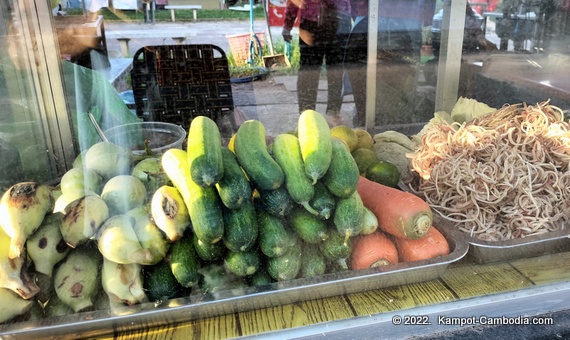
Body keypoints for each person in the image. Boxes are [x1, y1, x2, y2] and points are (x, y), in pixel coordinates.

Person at [282, 0, 352, 124]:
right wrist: (287, 25)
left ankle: (334, 112)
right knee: (309, 72)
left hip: (338, 20)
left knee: (335, 70)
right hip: (312, 24)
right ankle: (307, 114)